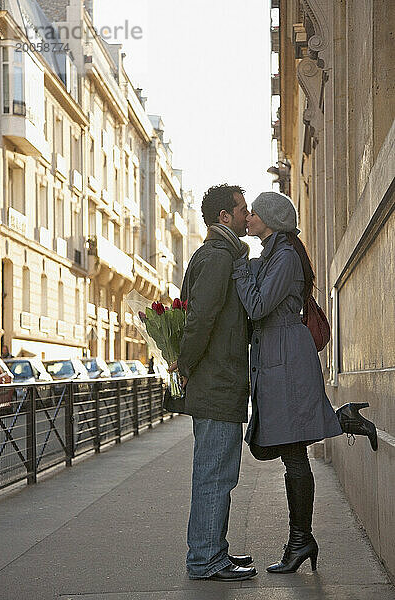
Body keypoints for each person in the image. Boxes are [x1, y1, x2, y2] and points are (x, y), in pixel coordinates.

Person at [232, 191, 344, 574]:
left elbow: (259, 305)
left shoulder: (283, 256)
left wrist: (240, 271)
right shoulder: (275, 252)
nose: (249, 218)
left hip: (287, 359)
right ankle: (301, 539)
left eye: (255, 213)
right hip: (278, 357)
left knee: (294, 451)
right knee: (289, 449)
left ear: (272, 219)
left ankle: (301, 540)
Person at [170, 184, 257, 581]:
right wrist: (183, 364)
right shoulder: (219, 257)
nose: (246, 215)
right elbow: (200, 318)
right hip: (216, 382)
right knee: (215, 475)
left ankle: (212, 550)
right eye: (241, 209)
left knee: (217, 473)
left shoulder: (214, 255)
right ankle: (205, 560)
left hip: (216, 381)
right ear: (224, 217)